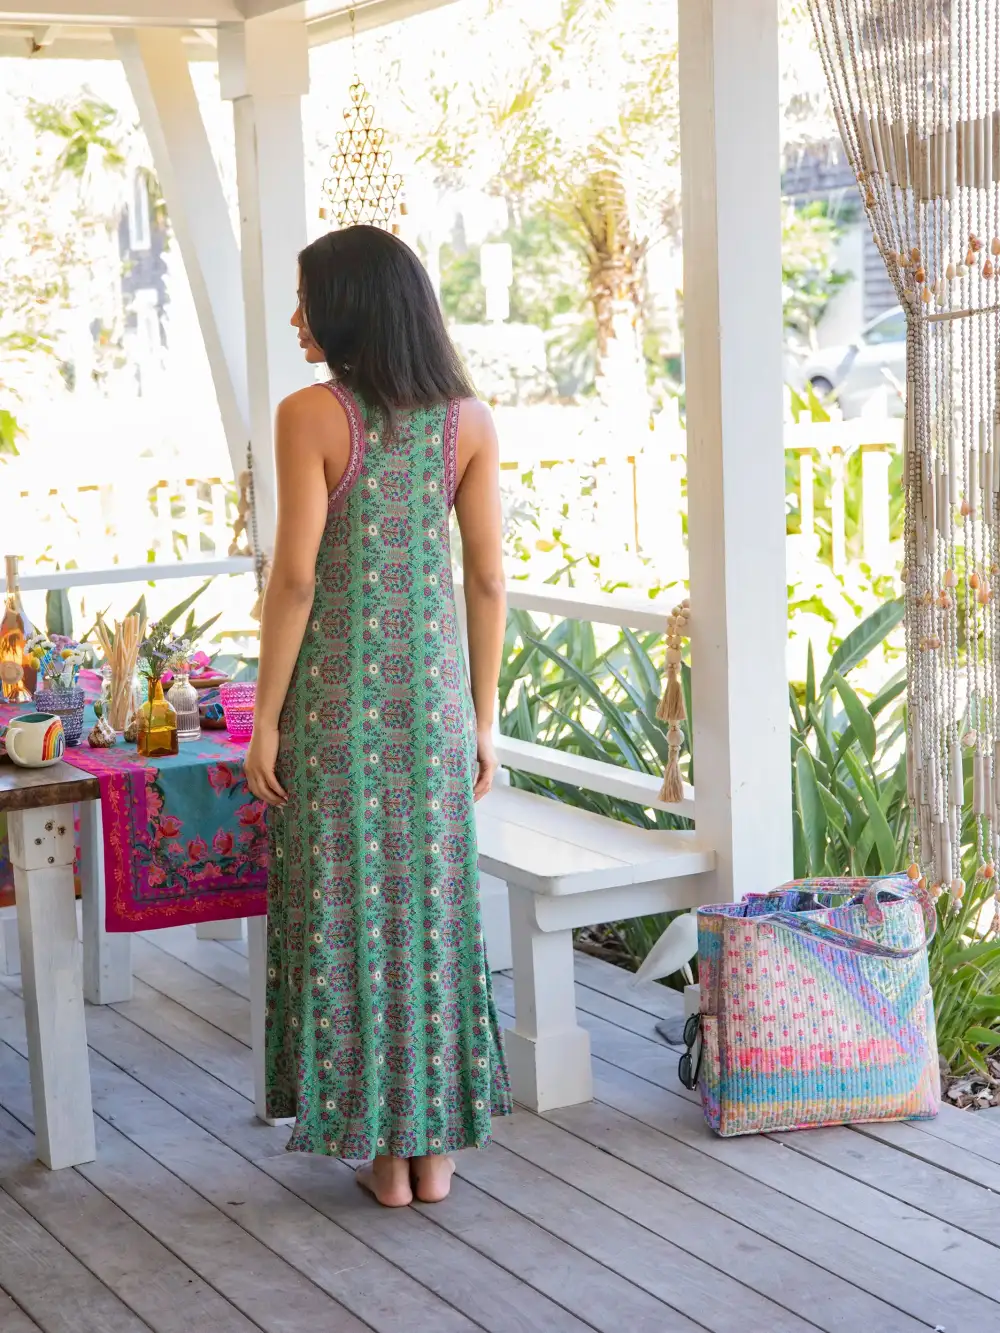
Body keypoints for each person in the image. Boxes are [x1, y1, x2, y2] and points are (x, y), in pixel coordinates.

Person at [245, 224, 513, 1207]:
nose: (296, 318)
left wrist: (264, 719)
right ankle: (432, 1155)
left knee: (349, 913)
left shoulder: (310, 415)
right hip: (432, 713)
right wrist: (482, 720)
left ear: (349, 306)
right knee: (431, 915)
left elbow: (295, 580)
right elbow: (487, 581)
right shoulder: (467, 421)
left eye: (306, 298)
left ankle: (378, 1153)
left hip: (335, 713)